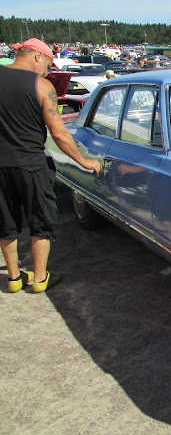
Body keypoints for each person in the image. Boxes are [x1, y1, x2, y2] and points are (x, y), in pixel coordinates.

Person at [0, 38, 103, 293]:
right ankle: (39, 279)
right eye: (47, 63)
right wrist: (83, 160)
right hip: (31, 164)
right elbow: (59, 133)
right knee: (40, 222)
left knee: (5, 222)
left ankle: (14, 278)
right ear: (36, 56)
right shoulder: (41, 86)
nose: (47, 70)